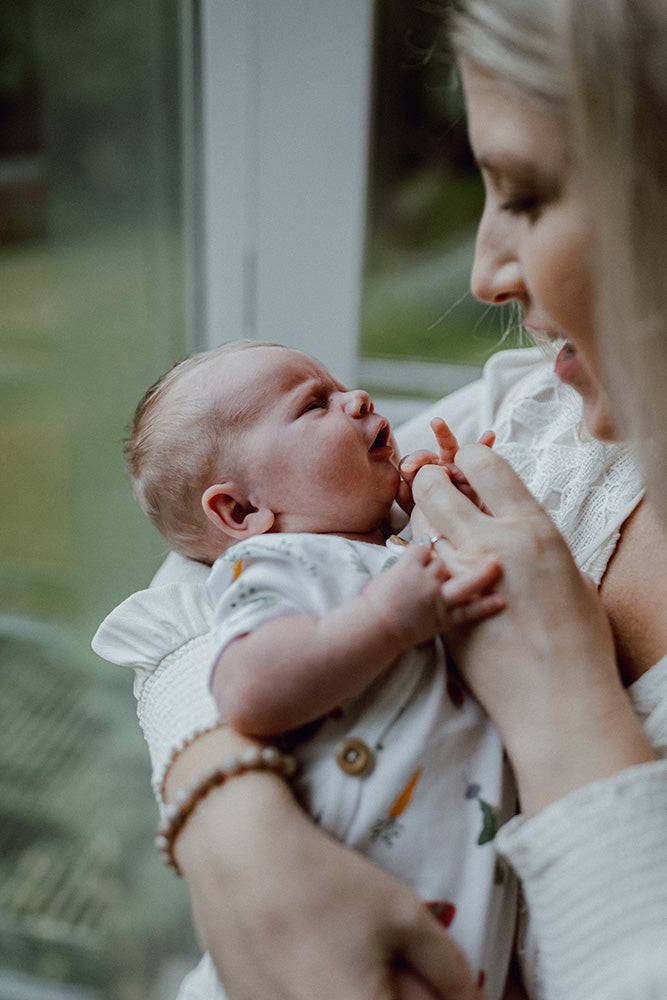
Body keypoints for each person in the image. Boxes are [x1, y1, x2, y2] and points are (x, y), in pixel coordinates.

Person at [95, 0, 667, 997]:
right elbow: (191, 593)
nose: (485, 273)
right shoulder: (542, 412)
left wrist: (563, 700)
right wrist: (226, 812)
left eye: (526, 194)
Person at [94, 338, 516, 996]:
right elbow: (250, 689)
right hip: (318, 939)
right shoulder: (274, 566)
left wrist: (448, 504)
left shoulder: (393, 543)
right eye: (313, 404)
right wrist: (386, 618)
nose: (357, 399)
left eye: (338, 387)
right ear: (241, 512)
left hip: (448, 934)